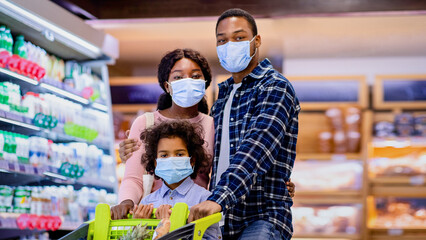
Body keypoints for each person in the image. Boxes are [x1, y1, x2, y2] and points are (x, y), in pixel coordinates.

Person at [187, 8, 300, 240]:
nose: (230, 45)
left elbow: (257, 149)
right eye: (222, 40)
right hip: (222, 220)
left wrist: (218, 198)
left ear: (256, 41)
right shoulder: (223, 96)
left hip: (261, 217)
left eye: (239, 38)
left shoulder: (275, 87)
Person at [111, 48, 215, 220]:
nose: (187, 81)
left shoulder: (213, 125)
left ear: (205, 82)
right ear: (167, 85)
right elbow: (133, 177)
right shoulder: (145, 123)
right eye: (178, 77)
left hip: (196, 219)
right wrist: (126, 202)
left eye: (195, 76)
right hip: (153, 215)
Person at [130, 120, 221, 240]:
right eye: (164, 155)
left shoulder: (205, 200)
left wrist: (170, 228)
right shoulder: (147, 203)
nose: (172, 159)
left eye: (179, 154)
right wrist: (138, 228)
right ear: (155, 162)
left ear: (192, 160)